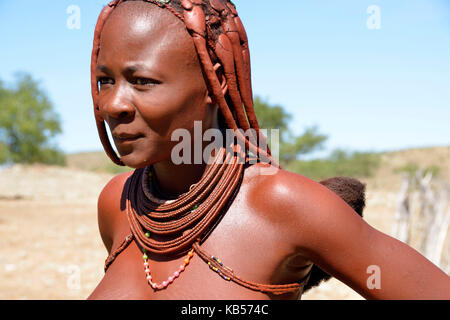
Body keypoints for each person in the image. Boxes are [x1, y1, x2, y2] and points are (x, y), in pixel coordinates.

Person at [87, 0, 450, 300]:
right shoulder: (119, 203)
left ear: (215, 82)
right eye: (106, 80)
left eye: (142, 81)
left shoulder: (281, 203)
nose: (113, 103)